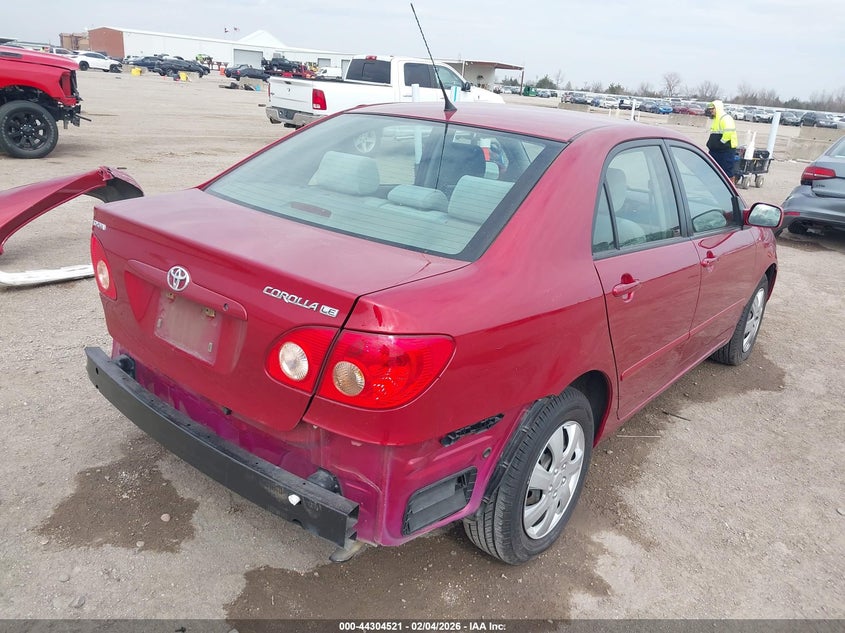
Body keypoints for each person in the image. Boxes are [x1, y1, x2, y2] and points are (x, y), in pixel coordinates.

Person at [704, 100, 738, 178]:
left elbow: (728, 132)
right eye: (710, 109)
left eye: (712, 109)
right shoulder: (716, 119)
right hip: (716, 150)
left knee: (726, 171)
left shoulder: (725, 118)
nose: (711, 111)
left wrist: (721, 143)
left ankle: (729, 187)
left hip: (725, 150)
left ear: (717, 108)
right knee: (713, 170)